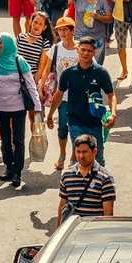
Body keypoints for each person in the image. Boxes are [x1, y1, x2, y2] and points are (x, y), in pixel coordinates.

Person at [0, 34, 40, 189]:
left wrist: (37, 106)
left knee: (18, 140)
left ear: (7, 45)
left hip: (19, 108)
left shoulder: (19, 62)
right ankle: (9, 167)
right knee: (5, 140)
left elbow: (30, 84)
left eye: (0, 43)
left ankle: (17, 172)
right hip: (1, 108)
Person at [56, 36, 115, 163]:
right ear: (77, 50)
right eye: (83, 50)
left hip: (95, 123)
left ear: (94, 52)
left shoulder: (101, 72)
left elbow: (111, 95)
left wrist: (113, 114)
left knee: (97, 158)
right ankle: (78, 181)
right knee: (80, 157)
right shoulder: (68, 73)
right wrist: (50, 115)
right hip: (75, 122)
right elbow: (59, 94)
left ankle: (98, 181)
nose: (85, 53)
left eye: (89, 51)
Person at [38, 17, 82, 171]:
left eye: (65, 29)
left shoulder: (81, 49)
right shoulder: (55, 49)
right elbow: (46, 70)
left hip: (79, 97)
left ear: (72, 30)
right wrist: (41, 85)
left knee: (76, 128)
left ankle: (73, 156)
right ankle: (62, 155)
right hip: (61, 96)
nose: (62, 33)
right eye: (59, 30)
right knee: (63, 127)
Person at [56, 133, 116, 224]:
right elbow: (62, 205)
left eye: (84, 152)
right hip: (72, 232)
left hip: (93, 232)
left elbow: (108, 214)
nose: (81, 156)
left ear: (94, 151)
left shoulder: (105, 179)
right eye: (78, 152)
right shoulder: (66, 175)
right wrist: (58, 232)